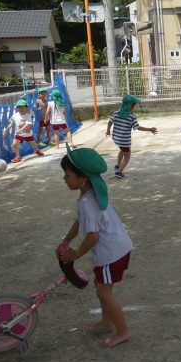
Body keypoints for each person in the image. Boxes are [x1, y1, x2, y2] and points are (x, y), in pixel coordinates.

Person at [58, 146, 133, 348]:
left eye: (67, 175)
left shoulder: (87, 202)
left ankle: (123, 331)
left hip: (112, 254)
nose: (64, 178)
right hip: (116, 249)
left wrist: (75, 254)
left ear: (83, 177)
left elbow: (93, 236)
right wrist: (66, 240)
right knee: (101, 287)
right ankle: (107, 323)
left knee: (103, 293)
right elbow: (80, 221)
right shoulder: (89, 195)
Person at [105, 94, 157, 178]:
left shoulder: (116, 113)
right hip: (124, 140)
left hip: (116, 138)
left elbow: (110, 122)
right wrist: (150, 129)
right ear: (131, 106)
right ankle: (119, 172)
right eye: (134, 105)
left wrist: (108, 131)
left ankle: (117, 165)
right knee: (127, 155)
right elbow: (137, 127)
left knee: (122, 150)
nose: (134, 107)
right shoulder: (131, 117)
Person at [4, 99, 44, 163]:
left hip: (28, 134)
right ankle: (18, 156)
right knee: (15, 144)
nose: (21, 109)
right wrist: (6, 130)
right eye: (19, 107)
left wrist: (20, 130)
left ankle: (37, 151)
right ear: (17, 108)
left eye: (23, 107)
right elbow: (11, 123)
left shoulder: (28, 115)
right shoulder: (15, 116)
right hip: (19, 134)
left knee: (33, 143)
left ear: (26, 108)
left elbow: (27, 124)